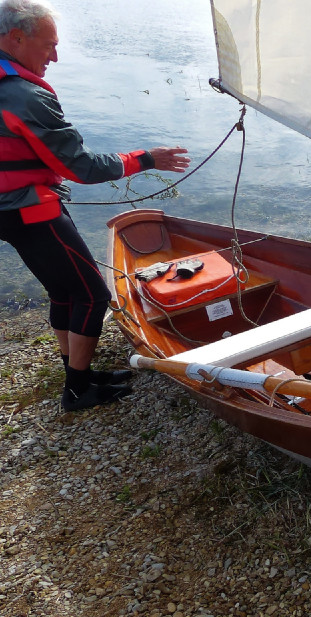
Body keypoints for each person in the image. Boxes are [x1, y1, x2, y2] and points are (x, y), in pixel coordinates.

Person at [0, 0, 190, 411]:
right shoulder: (23, 95)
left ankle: (76, 374)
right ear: (16, 38)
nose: (55, 56)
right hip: (30, 210)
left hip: (11, 208)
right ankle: (77, 391)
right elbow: (82, 167)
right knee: (92, 293)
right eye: (49, 45)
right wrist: (147, 159)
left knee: (62, 290)